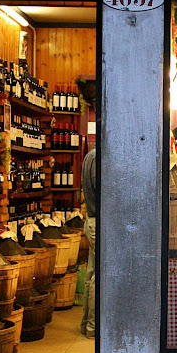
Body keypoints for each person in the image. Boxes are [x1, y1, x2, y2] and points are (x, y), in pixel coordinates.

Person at [81, 144, 97, 338]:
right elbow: (103, 193)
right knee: (98, 277)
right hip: (99, 222)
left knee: (91, 274)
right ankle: (94, 327)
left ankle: (86, 324)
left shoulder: (89, 156)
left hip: (93, 221)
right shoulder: (97, 158)